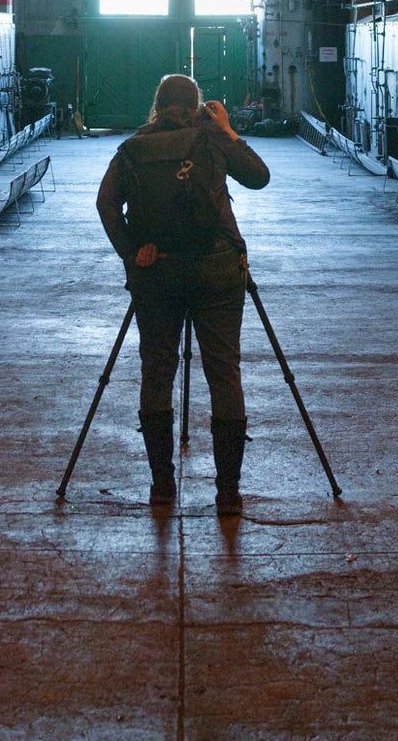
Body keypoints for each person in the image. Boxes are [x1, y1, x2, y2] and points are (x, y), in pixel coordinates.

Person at [96, 73, 270, 516]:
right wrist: (228, 129)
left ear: (157, 105)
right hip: (216, 270)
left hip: (158, 274)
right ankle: (228, 492)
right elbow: (258, 177)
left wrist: (134, 253)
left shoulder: (134, 147)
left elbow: (106, 204)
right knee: (224, 372)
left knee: (157, 370)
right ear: (197, 105)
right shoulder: (212, 139)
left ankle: (161, 486)